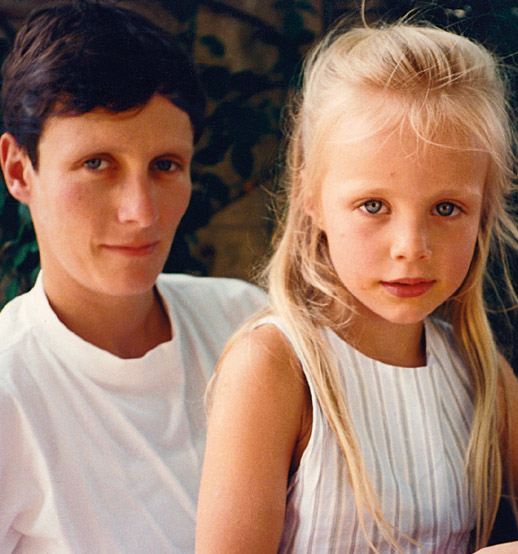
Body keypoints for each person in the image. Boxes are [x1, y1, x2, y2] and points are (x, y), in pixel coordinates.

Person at [195, 16, 518, 554]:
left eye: (446, 207)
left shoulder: (477, 369)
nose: (411, 246)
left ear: (484, 211)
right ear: (311, 198)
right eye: (374, 205)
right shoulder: (276, 368)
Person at [0, 1, 265, 553]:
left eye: (165, 165)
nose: (141, 212)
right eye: (97, 163)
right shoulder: (10, 390)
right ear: (19, 170)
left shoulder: (249, 323)